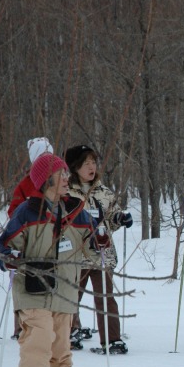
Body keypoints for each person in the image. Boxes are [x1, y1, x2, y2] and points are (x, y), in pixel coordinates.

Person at [0, 153, 109, 367]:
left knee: (60, 344)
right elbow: (5, 246)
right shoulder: (27, 212)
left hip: (65, 290)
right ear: (47, 179)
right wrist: (9, 258)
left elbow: (91, 248)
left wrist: (100, 243)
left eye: (67, 173)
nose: (67, 178)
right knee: (39, 336)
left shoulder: (77, 211)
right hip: (33, 287)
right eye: (61, 174)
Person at [64, 144, 133, 355]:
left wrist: (120, 218)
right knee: (70, 296)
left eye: (93, 162)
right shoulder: (66, 192)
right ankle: (69, 332)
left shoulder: (103, 192)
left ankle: (112, 340)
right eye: (86, 163)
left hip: (102, 254)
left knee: (105, 298)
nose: (92, 167)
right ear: (75, 167)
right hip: (77, 255)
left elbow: (112, 216)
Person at [9, 137, 54, 340]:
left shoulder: (59, 181)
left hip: (51, 241)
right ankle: (20, 325)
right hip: (28, 241)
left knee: (56, 282)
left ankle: (69, 325)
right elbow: (13, 211)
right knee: (24, 282)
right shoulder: (25, 184)